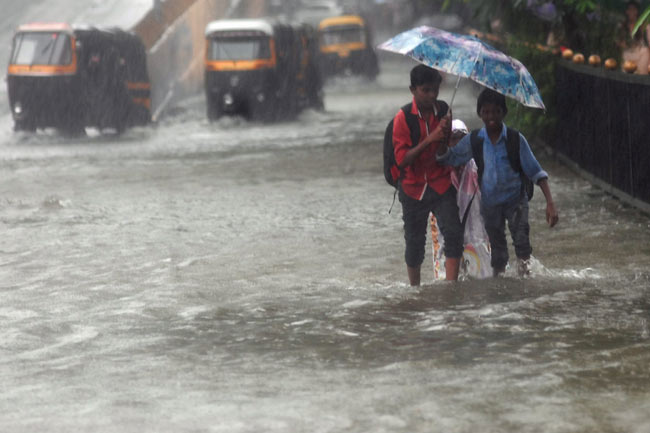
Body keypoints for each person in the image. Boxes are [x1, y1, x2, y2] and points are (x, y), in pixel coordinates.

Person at [436, 88, 559, 277]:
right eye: (486, 112)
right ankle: (499, 281)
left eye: (495, 112)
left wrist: (550, 203)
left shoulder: (516, 140)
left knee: (522, 242)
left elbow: (537, 173)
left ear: (503, 113)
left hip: (515, 201)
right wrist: (443, 137)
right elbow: (451, 157)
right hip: (490, 204)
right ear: (480, 114)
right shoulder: (475, 140)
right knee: (498, 248)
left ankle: (525, 276)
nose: (491, 116)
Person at [392, 64, 463, 285]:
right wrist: (430, 139)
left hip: (441, 182)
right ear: (413, 90)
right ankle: (415, 288)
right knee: (414, 243)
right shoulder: (403, 118)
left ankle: (451, 286)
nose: (432, 95)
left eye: (435, 90)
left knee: (453, 233)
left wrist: (443, 138)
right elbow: (402, 159)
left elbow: (443, 154)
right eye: (426, 90)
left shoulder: (443, 111)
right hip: (413, 187)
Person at [431, 119, 492, 280]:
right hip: (447, 242)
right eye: (453, 138)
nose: (458, 143)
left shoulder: (479, 167)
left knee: (483, 284)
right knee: (448, 287)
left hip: (477, 238)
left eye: (462, 138)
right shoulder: (439, 172)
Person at [618, 0, 650, 75]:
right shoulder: (622, 26)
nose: (632, 12)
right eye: (630, 9)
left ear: (637, 12)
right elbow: (618, 41)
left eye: (634, 10)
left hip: (640, 53)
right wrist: (621, 43)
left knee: (645, 51)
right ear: (627, 12)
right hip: (627, 53)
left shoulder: (642, 25)